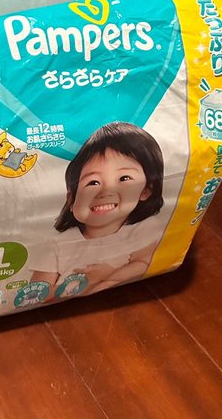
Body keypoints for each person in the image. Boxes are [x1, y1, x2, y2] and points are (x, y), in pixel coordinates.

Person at [28, 122, 164, 301]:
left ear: (146, 190)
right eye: (93, 182)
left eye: (124, 178)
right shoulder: (56, 244)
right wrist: (83, 286)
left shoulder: (143, 228)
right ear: (71, 199)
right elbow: (35, 294)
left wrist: (106, 277)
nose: (106, 191)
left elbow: (144, 264)